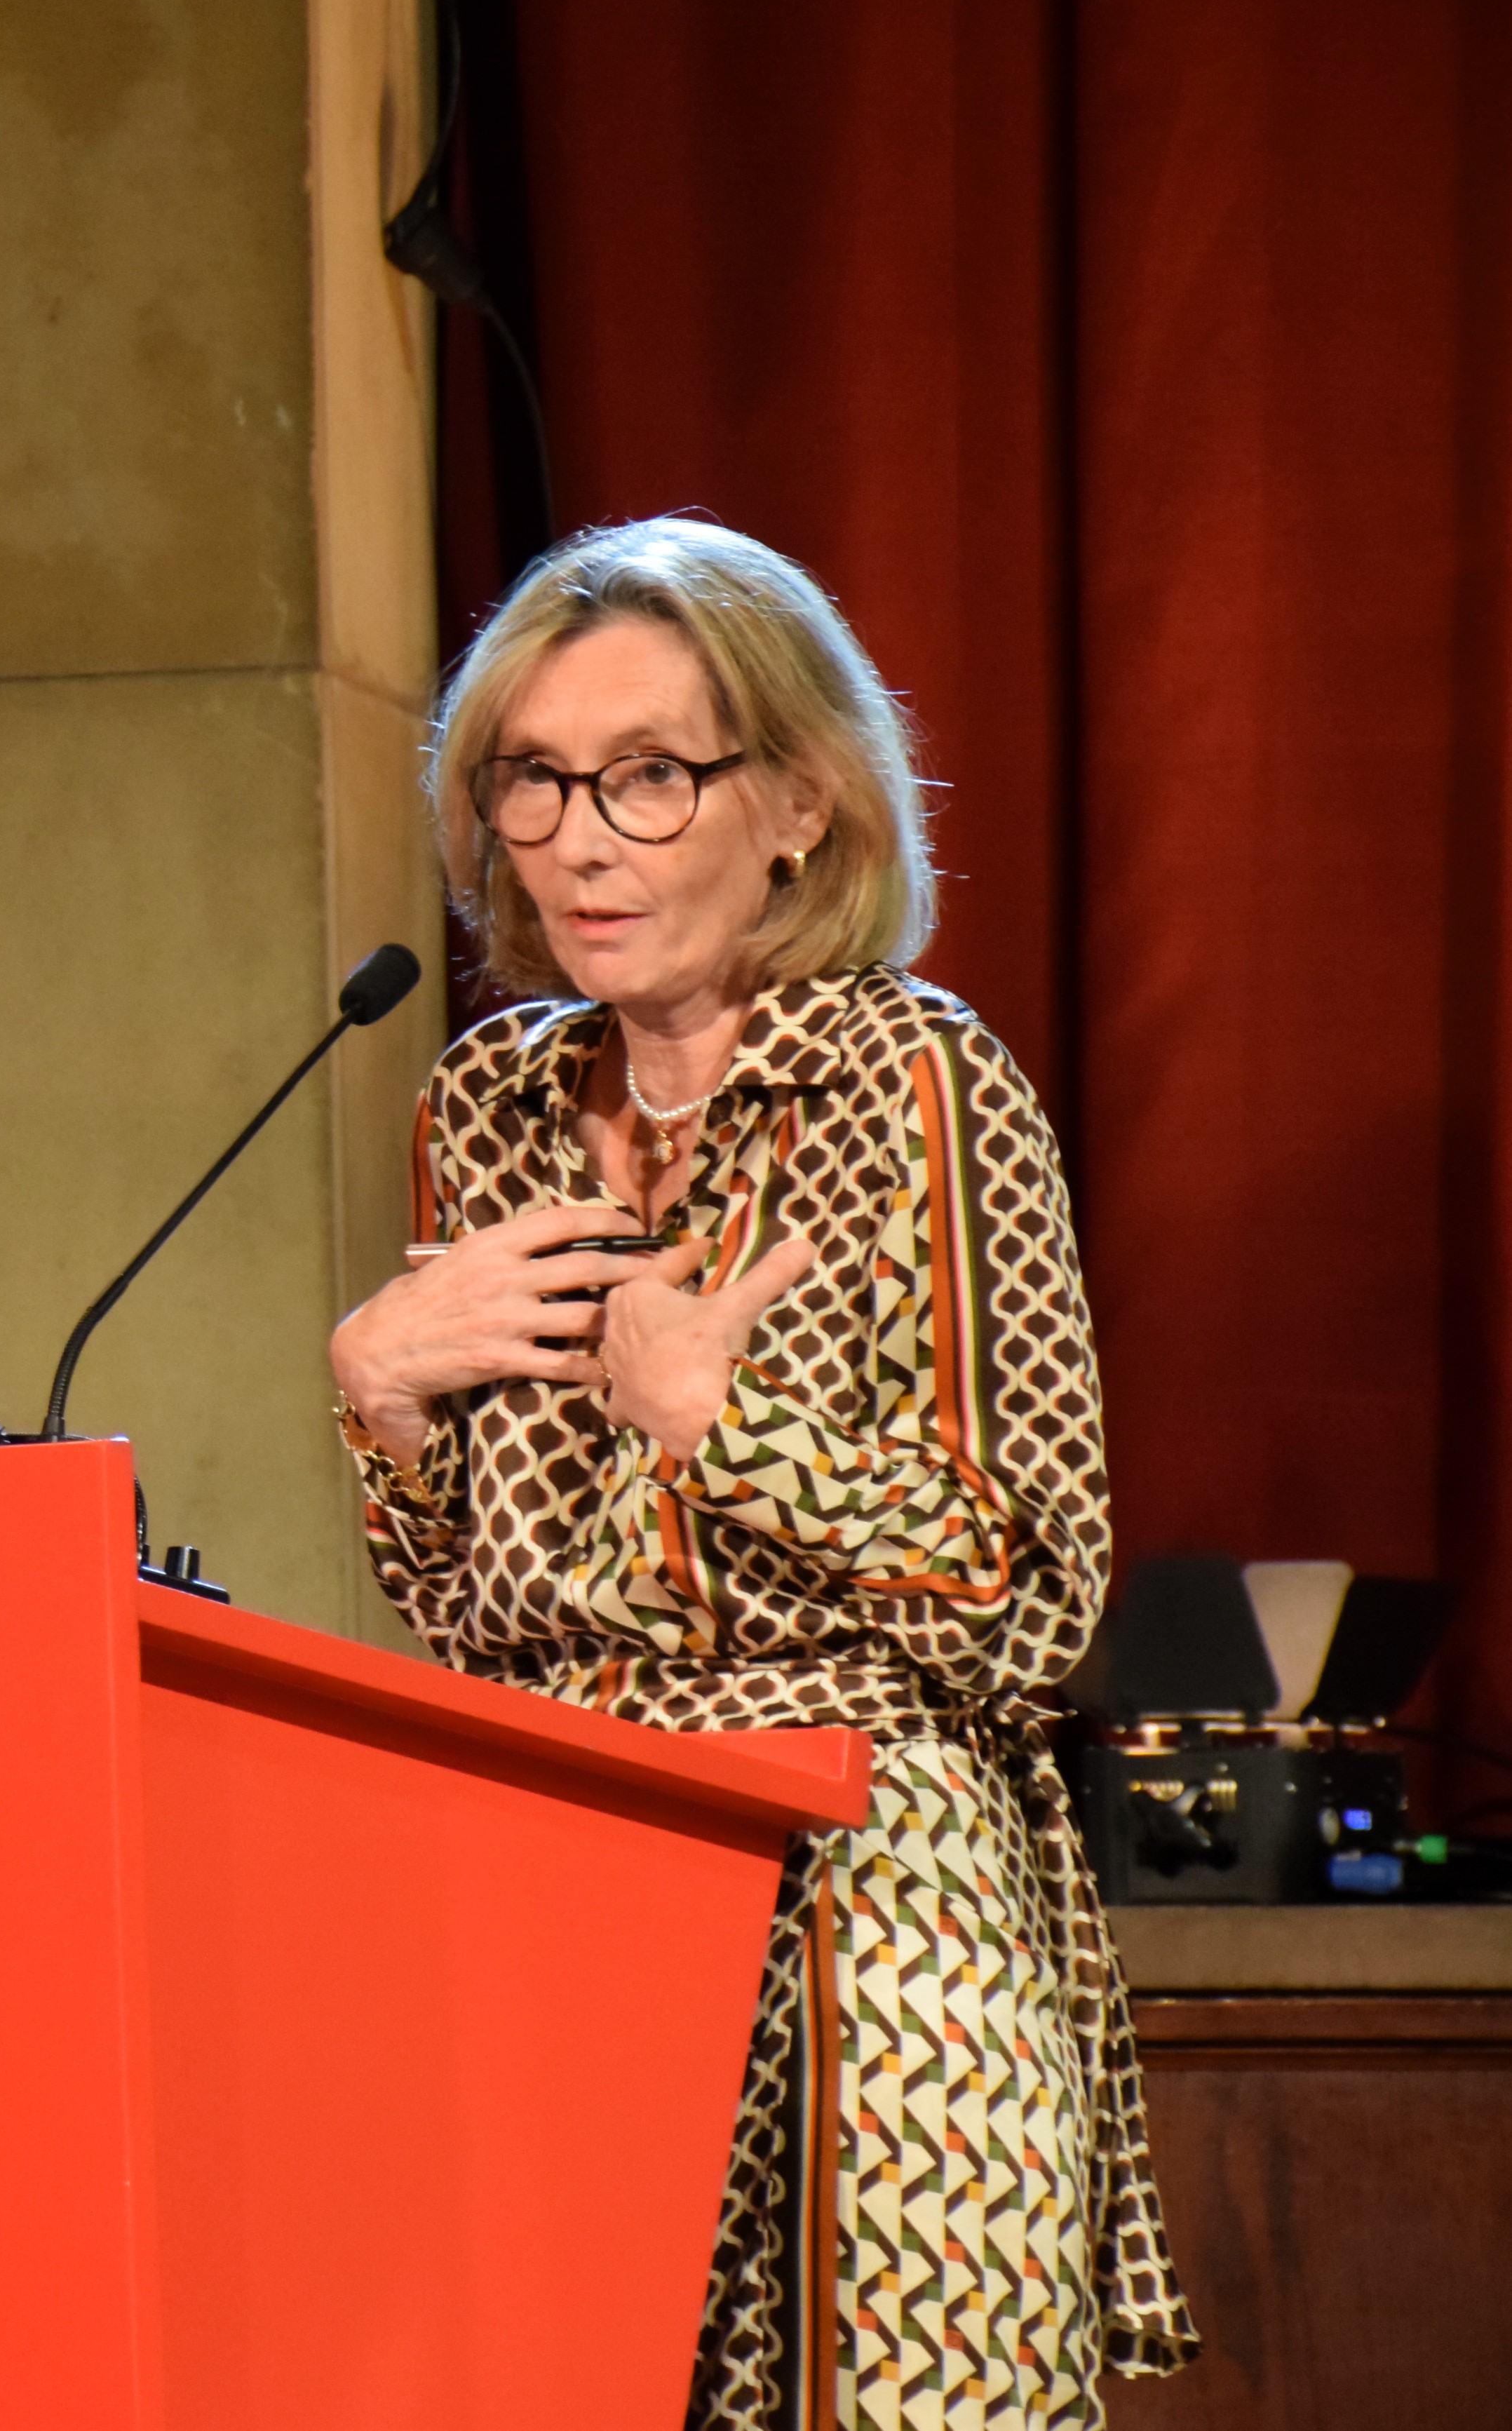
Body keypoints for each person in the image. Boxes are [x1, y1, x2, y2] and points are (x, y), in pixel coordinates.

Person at [327, 518, 1195, 2427]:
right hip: (558, 1869)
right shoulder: (484, 1102)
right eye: (532, 779)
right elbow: (484, 1609)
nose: (577, 837)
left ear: (796, 802)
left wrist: (730, 1434)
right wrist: (385, 1412)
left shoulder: (919, 1082)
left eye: (645, 773)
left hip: (868, 1906)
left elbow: (1028, 1589)